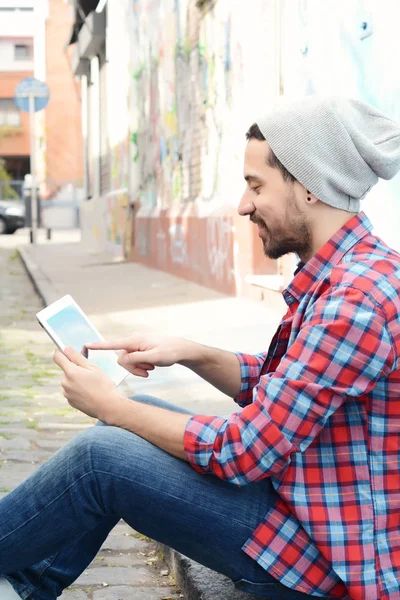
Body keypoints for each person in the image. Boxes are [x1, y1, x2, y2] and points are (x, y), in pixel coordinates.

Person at [1, 95, 400, 600]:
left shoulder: (355, 302)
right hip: (303, 507)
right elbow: (286, 390)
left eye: (256, 186)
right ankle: (23, 584)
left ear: (310, 188)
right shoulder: (349, 273)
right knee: (134, 416)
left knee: (100, 456)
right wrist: (190, 352)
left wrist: (112, 406)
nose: (242, 205)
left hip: (325, 561)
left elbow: (245, 449)